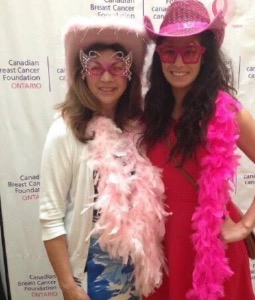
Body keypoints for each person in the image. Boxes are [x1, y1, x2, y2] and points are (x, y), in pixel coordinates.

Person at [140, 1, 255, 299]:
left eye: (190, 51)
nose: (179, 62)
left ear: (205, 55)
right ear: (159, 57)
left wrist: (244, 226)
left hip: (211, 247)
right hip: (163, 247)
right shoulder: (148, 114)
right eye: (170, 51)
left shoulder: (226, 111)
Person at [39, 16, 168, 300]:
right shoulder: (65, 132)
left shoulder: (139, 129)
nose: (107, 78)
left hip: (141, 277)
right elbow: (50, 218)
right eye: (95, 68)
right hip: (91, 280)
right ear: (82, 73)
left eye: (117, 68)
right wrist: (68, 286)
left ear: (129, 74)